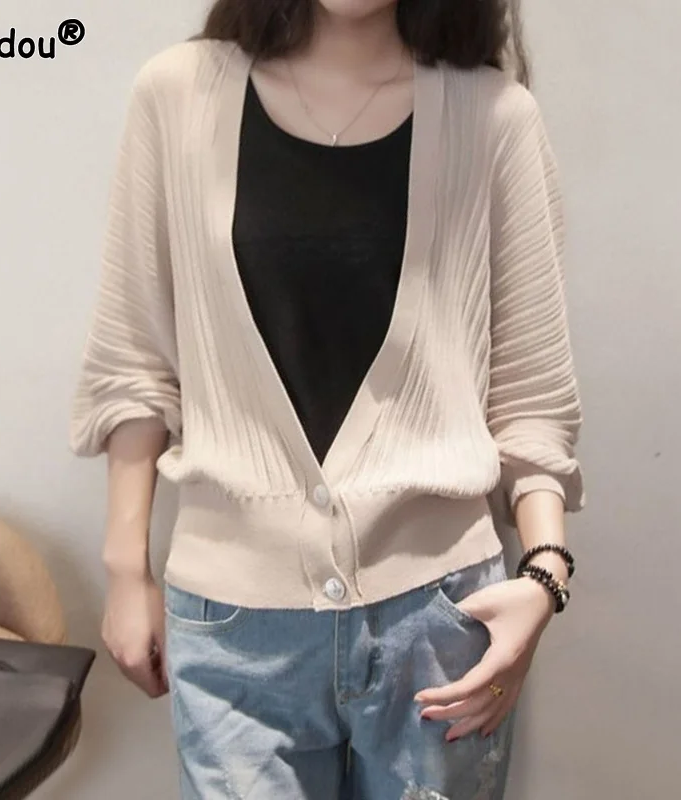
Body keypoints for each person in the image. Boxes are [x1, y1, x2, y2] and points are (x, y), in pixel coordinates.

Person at [70, 1, 585, 797]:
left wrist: (544, 576)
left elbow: (530, 393)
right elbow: (134, 362)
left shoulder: (493, 117)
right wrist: (124, 570)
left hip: (441, 621)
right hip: (233, 625)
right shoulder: (176, 95)